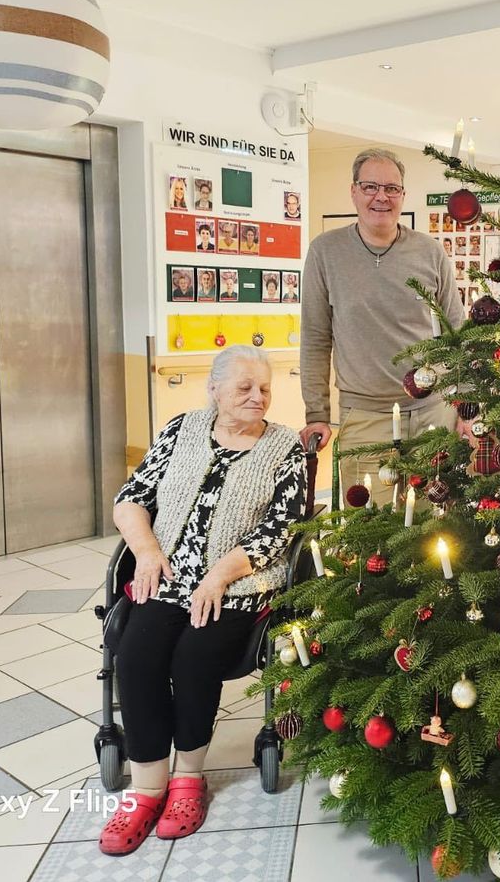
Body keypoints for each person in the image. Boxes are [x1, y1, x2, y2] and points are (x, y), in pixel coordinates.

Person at [102, 346, 305, 855]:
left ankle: (188, 779)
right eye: (244, 389)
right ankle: (149, 787)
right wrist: (147, 553)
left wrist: (219, 576)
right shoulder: (180, 430)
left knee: (194, 659)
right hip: (167, 577)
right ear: (213, 390)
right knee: (137, 655)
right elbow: (131, 498)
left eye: (264, 389)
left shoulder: (288, 449)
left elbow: (280, 529)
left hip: (238, 586)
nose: (257, 398)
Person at [300, 148, 467, 505]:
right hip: (363, 416)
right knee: (366, 529)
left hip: (433, 412)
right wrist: (317, 413)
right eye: (371, 186)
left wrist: (467, 405)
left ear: (403, 195)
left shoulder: (429, 251)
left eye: (392, 188)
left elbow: (458, 331)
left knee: (431, 525)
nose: (381, 197)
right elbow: (315, 338)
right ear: (354, 191)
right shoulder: (325, 252)